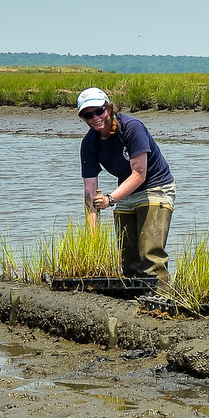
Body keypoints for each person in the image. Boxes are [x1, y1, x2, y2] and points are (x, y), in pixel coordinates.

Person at [77, 87, 176, 290]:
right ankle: (135, 301)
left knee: (150, 255)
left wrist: (110, 199)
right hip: (126, 191)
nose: (95, 118)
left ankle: (164, 298)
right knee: (128, 260)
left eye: (99, 111)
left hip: (155, 187)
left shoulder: (131, 127)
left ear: (109, 108)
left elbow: (140, 174)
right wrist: (92, 236)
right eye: (88, 115)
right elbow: (89, 192)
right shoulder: (89, 143)